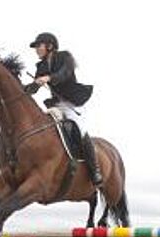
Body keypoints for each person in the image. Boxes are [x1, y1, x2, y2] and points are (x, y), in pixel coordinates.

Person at [24, 32, 103, 187]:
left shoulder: (65, 57)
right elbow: (33, 88)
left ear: (50, 46)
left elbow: (64, 74)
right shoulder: (40, 66)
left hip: (73, 103)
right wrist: (21, 89)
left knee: (80, 130)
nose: (36, 49)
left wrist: (48, 78)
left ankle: (95, 171)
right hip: (56, 104)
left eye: (38, 46)